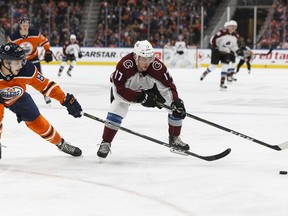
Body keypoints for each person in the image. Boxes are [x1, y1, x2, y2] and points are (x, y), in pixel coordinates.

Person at [96, 40, 188, 159]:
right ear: (135, 57)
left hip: (149, 88)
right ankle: (106, 142)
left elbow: (168, 87)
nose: (147, 63)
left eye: (149, 58)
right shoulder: (125, 65)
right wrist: (141, 97)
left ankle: (175, 139)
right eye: (143, 59)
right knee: (117, 108)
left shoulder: (157, 66)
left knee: (175, 106)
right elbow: (119, 92)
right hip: (127, 90)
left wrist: (176, 101)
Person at [0, 42, 83, 159]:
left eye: (22, 61)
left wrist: (64, 99)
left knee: (38, 123)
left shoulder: (27, 70)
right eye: (17, 62)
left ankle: (60, 143)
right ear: (6, 62)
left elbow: (46, 86)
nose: (21, 65)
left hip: (18, 97)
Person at [8, 16, 53, 104]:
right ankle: (16, 96)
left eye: (27, 25)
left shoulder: (35, 34)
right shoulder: (13, 38)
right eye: (23, 25)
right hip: (20, 61)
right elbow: (10, 50)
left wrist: (48, 52)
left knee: (40, 78)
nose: (25, 27)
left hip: (34, 58)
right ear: (20, 26)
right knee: (17, 79)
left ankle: (45, 94)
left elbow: (45, 42)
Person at [200, 20, 239, 89]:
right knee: (213, 66)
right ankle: (205, 73)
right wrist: (215, 47)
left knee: (225, 68)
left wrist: (237, 51)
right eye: (231, 26)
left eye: (234, 27)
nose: (232, 28)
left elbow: (234, 46)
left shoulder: (235, 36)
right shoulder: (222, 33)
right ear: (228, 27)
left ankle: (222, 83)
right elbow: (213, 39)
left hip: (226, 53)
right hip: (217, 52)